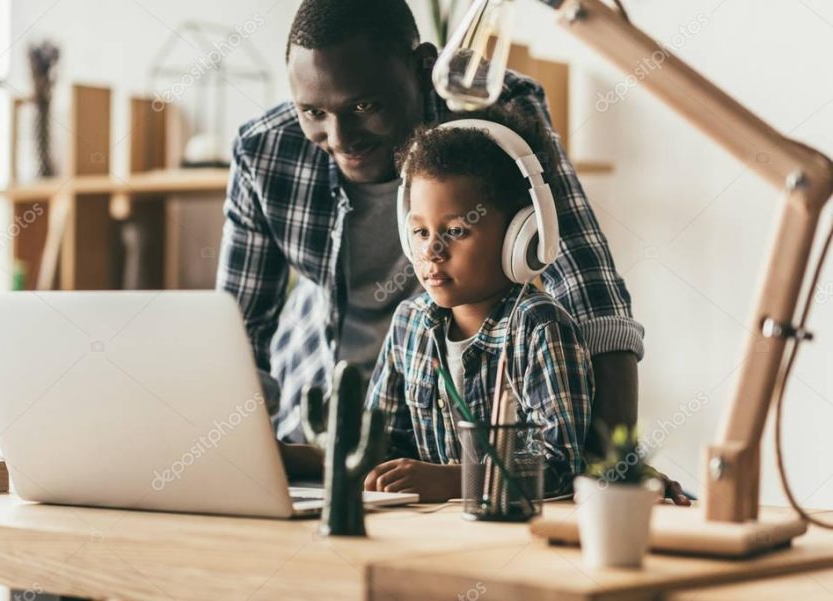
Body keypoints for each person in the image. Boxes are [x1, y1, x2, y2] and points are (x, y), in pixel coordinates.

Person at [216, 0, 689, 504]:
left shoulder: (490, 115)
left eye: (364, 107)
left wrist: (615, 469)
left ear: (423, 67)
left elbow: (589, 292)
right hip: (336, 434)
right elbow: (234, 333)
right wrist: (236, 453)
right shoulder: (264, 149)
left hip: (465, 449)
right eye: (313, 112)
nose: (339, 138)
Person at [363, 107, 592, 501]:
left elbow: (560, 466)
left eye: (455, 231)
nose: (431, 250)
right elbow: (380, 446)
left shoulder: (539, 327)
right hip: (428, 532)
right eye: (419, 231)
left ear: (521, 237)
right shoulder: (409, 324)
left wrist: (454, 480)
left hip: (513, 538)